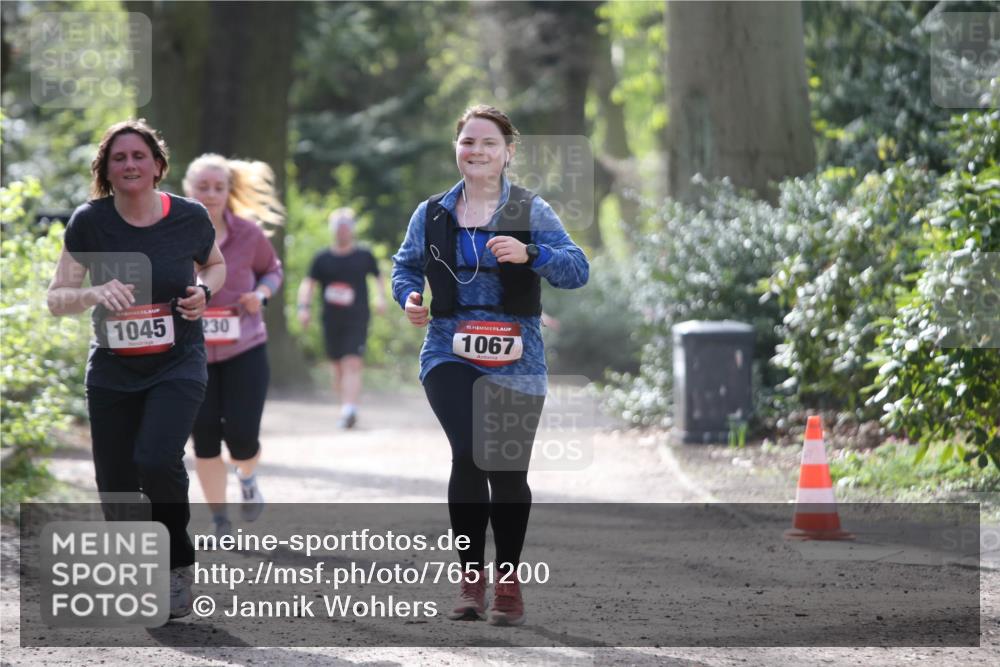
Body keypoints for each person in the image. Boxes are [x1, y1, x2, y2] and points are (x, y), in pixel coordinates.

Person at [391, 104, 589, 626]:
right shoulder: (432, 212)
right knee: (470, 451)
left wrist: (531, 257)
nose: (476, 152)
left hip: (518, 351)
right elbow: (405, 266)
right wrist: (410, 296)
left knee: (505, 469)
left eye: (488, 144)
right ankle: (470, 578)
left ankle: (506, 579)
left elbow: (577, 269)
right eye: (467, 143)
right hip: (448, 350)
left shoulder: (530, 209)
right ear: (456, 148)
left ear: (507, 153)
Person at [47, 119, 226, 619]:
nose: (129, 164)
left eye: (138, 156)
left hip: (177, 361)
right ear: (105, 169)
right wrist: (91, 293)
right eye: (118, 158)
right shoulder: (90, 222)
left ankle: (175, 565)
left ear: (157, 165)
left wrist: (203, 293)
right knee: (117, 484)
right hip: (111, 370)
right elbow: (56, 297)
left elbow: (215, 264)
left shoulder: (188, 217)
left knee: (155, 458)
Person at [182, 154, 284, 538]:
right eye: (202, 187)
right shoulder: (173, 234)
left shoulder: (248, 233)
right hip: (191, 353)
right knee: (205, 437)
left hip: (245, 348)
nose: (210, 195)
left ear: (229, 192)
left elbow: (273, 270)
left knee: (242, 437)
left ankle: (247, 476)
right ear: (187, 190)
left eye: (218, 188)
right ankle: (220, 519)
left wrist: (261, 293)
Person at [297, 208, 386, 429]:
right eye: (339, 227)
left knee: (352, 362)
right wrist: (303, 308)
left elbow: (378, 277)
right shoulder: (322, 258)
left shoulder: (364, 255)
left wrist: (381, 298)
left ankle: (350, 409)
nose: (343, 231)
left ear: (352, 230)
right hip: (331, 319)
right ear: (333, 230)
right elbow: (308, 283)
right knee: (336, 367)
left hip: (357, 318)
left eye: (347, 227)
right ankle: (345, 407)